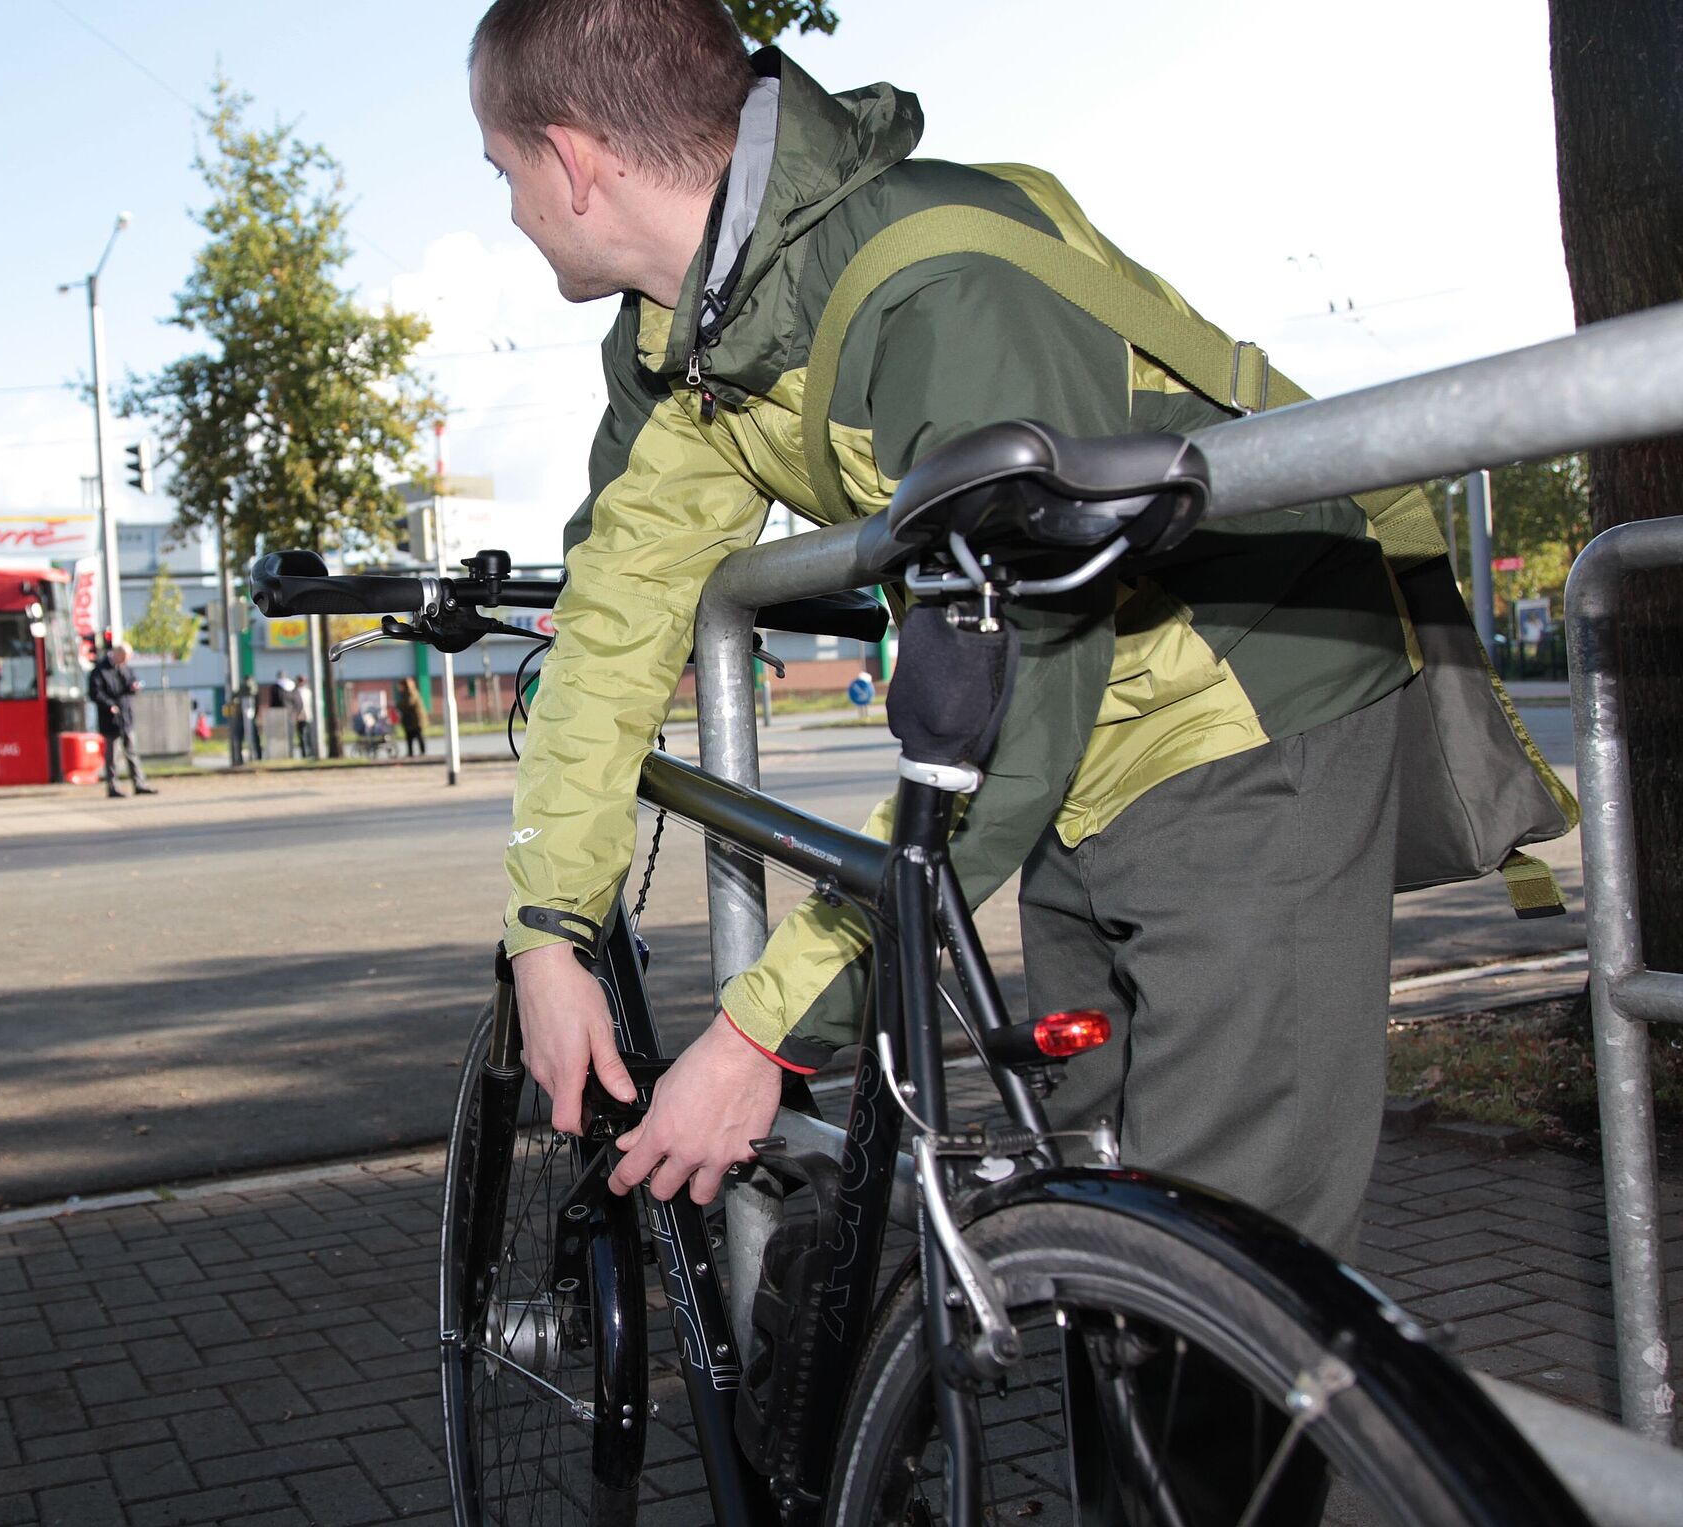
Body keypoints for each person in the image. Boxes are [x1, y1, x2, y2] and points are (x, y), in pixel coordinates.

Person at [471, 0, 1446, 1262]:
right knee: (1103, 1217)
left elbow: (1015, 700)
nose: (506, 210)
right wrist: (547, 932)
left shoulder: (943, 287)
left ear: (573, 161)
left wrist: (761, 1034)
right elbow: (616, 619)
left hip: (1247, 698)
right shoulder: (691, 333)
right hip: (1072, 744)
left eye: (502, 172)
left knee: (1224, 1258)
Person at [87, 641, 156, 798]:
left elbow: (129, 685)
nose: (125, 662)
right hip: (110, 720)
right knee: (112, 757)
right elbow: (95, 693)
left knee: (132, 753)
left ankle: (139, 784)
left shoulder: (125, 668)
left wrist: (134, 687)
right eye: (124, 658)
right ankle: (112, 788)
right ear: (116, 654)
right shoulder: (100, 671)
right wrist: (109, 705)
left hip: (126, 718)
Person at [395, 675, 429, 756]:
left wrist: (398, 705)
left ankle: (422, 753)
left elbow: (408, 703)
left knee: (418, 735)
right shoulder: (405, 693)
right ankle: (410, 753)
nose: (399, 688)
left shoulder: (411, 693)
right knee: (409, 737)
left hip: (415, 720)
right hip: (409, 720)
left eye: (400, 686)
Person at [287, 672, 315, 759]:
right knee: (302, 735)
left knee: (310, 735)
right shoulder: (295, 692)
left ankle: (311, 752)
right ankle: (304, 753)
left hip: (309, 716)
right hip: (300, 717)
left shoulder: (308, 691)